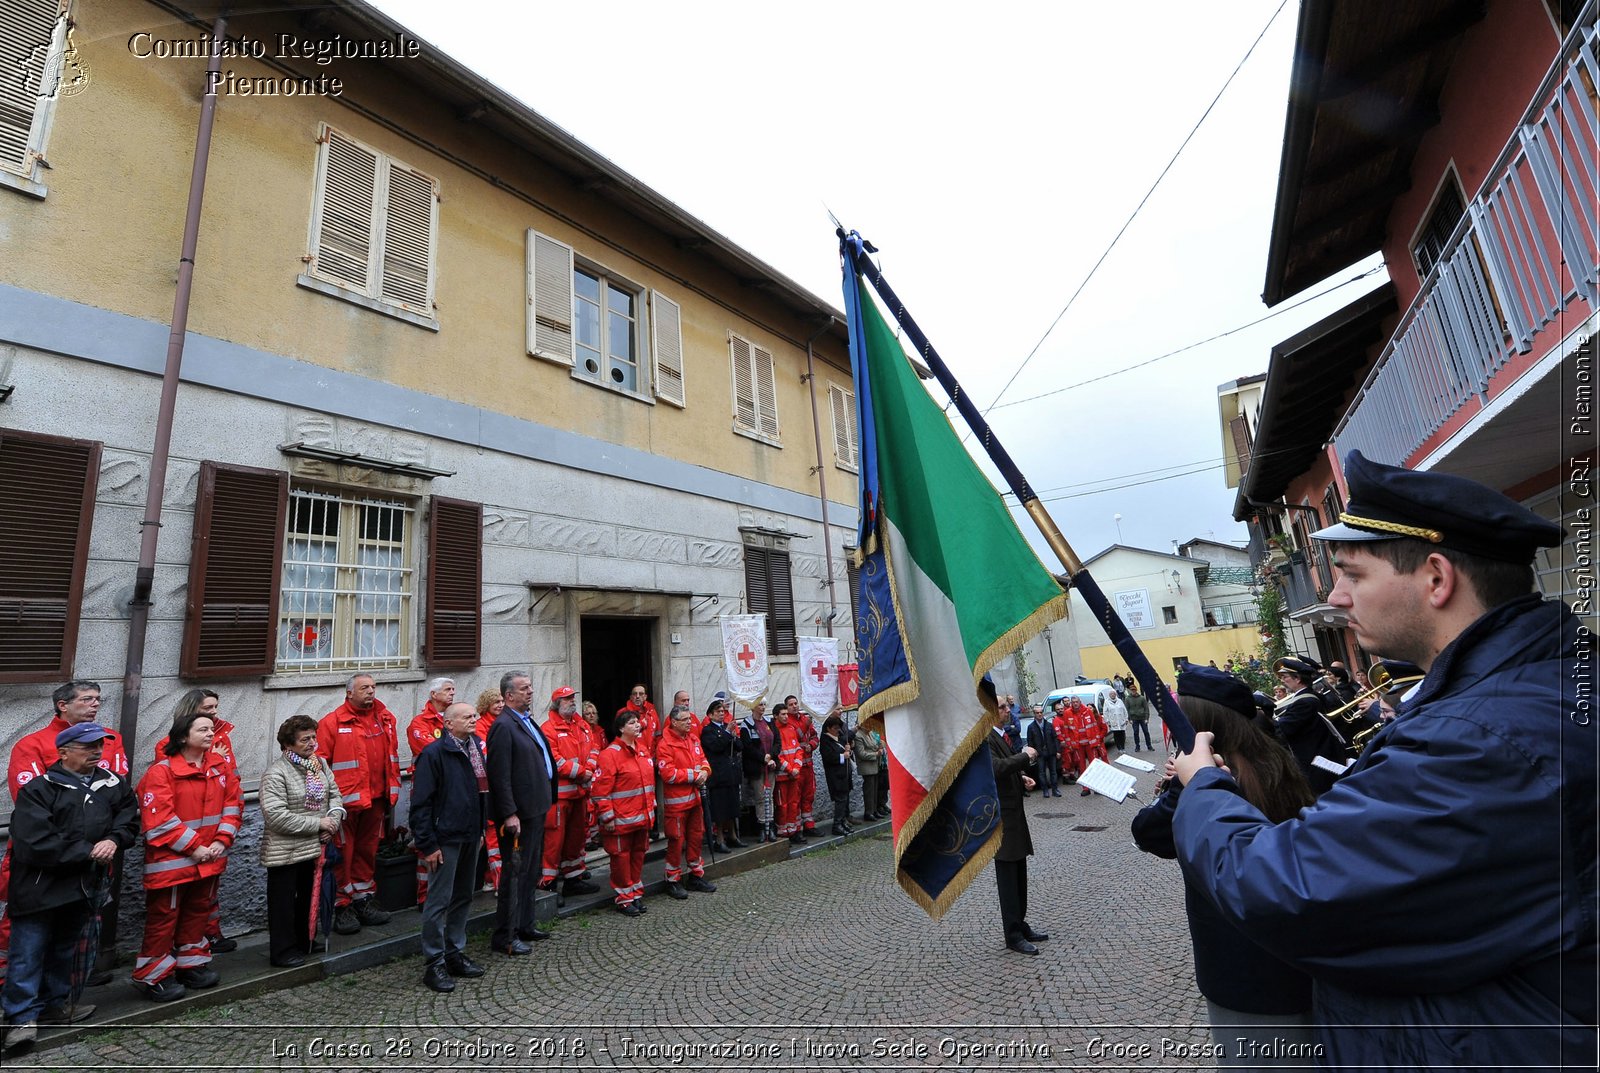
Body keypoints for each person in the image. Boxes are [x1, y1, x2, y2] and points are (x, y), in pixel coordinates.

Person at [1171, 451, 1595, 1069]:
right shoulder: (1531, 687)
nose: (1337, 596)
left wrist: (1204, 787)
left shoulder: (1481, 739)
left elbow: (1281, 888)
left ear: (1435, 578)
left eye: (1352, 574)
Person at [1133, 666, 1315, 1066]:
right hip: (1301, 962)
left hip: (1242, 970)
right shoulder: (1274, 758)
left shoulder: (1215, 781)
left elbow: (1152, 834)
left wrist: (1185, 787)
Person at [1, 723, 137, 1053]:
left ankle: (54, 1006)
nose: (96, 751)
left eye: (99, 746)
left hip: (83, 886)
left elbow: (129, 819)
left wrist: (113, 839)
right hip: (39, 888)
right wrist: (88, 851)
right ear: (63, 753)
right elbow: (33, 841)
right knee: (27, 954)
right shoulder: (40, 788)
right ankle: (20, 1019)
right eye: (87, 746)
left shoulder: (112, 783)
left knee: (64, 950)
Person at [3, 681, 131, 991]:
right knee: (28, 936)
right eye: (87, 699)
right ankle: (16, 994)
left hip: (96, 857)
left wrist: (111, 838)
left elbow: (119, 794)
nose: (95, 705)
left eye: (98, 699)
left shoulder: (111, 739)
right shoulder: (32, 744)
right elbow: (30, 803)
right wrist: (82, 844)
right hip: (46, 861)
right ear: (63, 705)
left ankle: (66, 992)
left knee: (80, 928)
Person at [134, 703, 241, 1001]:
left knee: (197, 914)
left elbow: (233, 806)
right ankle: (154, 975)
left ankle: (190, 965)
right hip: (171, 862)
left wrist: (221, 842)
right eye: (203, 730)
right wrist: (196, 848)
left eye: (211, 729)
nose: (211, 734)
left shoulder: (220, 767)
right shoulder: (161, 772)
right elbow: (159, 819)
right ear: (183, 737)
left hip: (209, 858)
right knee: (163, 919)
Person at [150, 689, 240, 952]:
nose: (214, 714)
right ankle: (160, 966)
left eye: (215, 707)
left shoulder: (221, 742)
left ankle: (201, 947)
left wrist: (223, 838)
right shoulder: (167, 750)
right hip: (179, 848)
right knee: (168, 912)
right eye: (207, 709)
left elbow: (231, 788)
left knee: (202, 902)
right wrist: (193, 845)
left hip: (212, 841)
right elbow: (167, 801)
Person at [410, 702, 489, 993]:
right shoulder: (434, 754)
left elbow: (481, 792)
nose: (474, 719)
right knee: (438, 901)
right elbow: (421, 804)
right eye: (467, 717)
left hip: (470, 835)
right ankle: (434, 963)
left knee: (464, 896)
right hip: (445, 838)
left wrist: (480, 829)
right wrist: (428, 844)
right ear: (449, 723)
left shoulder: (476, 748)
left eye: (474, 715)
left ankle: (454, 952)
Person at [259, 715, 345, 968]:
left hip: (314, 846)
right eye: (304, 739)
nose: (312, 743)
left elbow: (335, 795)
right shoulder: (276, 774)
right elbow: (275, 816)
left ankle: (304, 940)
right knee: (283, 903)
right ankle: (283, 951)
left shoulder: (319, 765)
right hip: (284, 850)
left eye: (313, 737)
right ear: (288, 744)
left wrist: (333, 821)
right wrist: (318, 824)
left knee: (308, 898)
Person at [316, 674, 399, 934]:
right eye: (365, 688)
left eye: (374, 687)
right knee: (343, 855)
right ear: (349, 693)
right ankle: (342, 906)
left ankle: (363, 900)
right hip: (344, 805)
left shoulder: (385, 719)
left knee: (367, 851)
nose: (371, 692)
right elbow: (320, 765)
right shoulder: (332, 722)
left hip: (376, 800)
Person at [485, 671, 555, 954]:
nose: (530, 692)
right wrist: (509, 813)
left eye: (530, 687)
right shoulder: (503, 726)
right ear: (508, 695)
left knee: (530, 872)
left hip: (537, 808)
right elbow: (499, 775)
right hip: (519, 815)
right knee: (515, 874)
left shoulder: (526, 721)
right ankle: (506, 935)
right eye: (524, 688)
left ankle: (526, 923)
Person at [986, 722, 1046, 956]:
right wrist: (1025, 756)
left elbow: (1005, 771)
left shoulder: (1000, 735)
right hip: (1001, 818)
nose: (1006, 710)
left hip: (1014, 815)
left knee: (1019, 873)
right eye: (1001, 706)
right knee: (1008, 878)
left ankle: (1020, 925)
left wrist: (1021, 778)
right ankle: (1012, 934)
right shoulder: (984, 738)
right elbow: (995, 768)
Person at [592, 710, 655, 915]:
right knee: (620, 859)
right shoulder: (609, 755)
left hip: (641, 817)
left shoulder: (643, 750)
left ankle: (635, 893)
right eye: (631, 723)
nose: (637, 725)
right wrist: (607, 816)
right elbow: (601, 791)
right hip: (620, 820)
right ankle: (624, 898)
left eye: (638, 722)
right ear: (621, 728)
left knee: (638, 855)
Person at [539, 687, 598, 897]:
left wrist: (589, 770)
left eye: (573, 698)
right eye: (567, 699)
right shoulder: (548, 729)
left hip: (579, 795)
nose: (572, 702)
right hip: (559, 797)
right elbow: (554, 761)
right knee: (554, 842)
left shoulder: (581, 725)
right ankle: (548, 884)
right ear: (557, 703)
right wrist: (582, 773)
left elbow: (594, 748)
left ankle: (574, 879)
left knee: (576, 840)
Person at [656, 705, 716, 898]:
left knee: (696, 838)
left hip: (696, 800)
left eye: (690, 719)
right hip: (677, 804)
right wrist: (693, 775)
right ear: (674, 722)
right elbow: (668, 774)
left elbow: (704, 761)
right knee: (676, 841)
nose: (690, 723)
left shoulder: (693, 739)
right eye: (685, 720)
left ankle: (695, 875)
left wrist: (705, 773)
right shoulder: (665, 744)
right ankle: (672, 880)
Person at [1270, 655, 1348, 796]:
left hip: (1315, 761)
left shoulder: (1305, 702)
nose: (1282, 681)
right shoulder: (1307, 697)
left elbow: (1283, 728)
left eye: (1285, 677)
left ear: (1298, 678)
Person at [471, 689, 506, 890]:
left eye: (502, 701)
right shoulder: (481, 726)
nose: (500, 705)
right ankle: (498, 881)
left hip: (500, 785)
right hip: (489, 787)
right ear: (487, 705)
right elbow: (488, 755)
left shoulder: (501, 723)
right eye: (496, 702)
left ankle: (489, 879)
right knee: (492, 838)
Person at [699, 698, 743, 851]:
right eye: (718, 711)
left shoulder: (727, 727)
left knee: (732, 806)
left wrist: (733, 734)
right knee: (720, 808)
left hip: (731, 773)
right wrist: (726, 733)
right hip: (718, 775)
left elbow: (738, 746)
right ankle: (719, 839)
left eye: (723, 711)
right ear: (710, 715)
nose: (721, 714)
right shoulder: (707, 730)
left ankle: (732, 835)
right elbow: (716, 746)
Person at [771, 702, 806, 844]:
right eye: (783, 714)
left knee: (794, 804)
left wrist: (797, 768)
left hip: (793, 775)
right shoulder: (773, 731)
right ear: (775, 716)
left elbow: (798, 750)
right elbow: (776, 755)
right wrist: (790, 769)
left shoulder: (791, 729)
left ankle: (794, 831)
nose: (786, 717)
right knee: (782, 806)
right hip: (782, 776)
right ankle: (783, 835)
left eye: (787, 714)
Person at [788, 696, 821, 836]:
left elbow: (815, 737)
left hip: (808, 765)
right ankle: (797, 829)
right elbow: (796, 736)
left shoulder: (803, 718)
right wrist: (805, 725)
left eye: (796, 703)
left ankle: (809, 825)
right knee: (796, 797)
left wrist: (811, 746)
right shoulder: (787, 721)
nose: (795, 706)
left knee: (809, 795)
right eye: (791, 704)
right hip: (797, 767)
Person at [818, 713, 854, 836]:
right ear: (828, 728)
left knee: (844, 799)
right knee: (840, 800)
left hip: (844, 774)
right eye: (835, 728)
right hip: (835, 776)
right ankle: (837, 824)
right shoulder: (825, 740)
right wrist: (842, 756)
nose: (838, 730)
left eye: (839, 728)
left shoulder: (840, 738)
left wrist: (848, 749)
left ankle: (843, 821)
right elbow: (829, 757)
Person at [1024, 702, 1061, 797]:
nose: (1039, 714)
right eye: (1037, 713)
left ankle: (1055, 790)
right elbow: (1030, 742)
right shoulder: (1031, 727)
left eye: (1041, 712)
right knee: (1042, 773)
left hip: (1051, 752)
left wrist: (1057, 751)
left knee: (1053, 772)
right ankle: (1045, 790)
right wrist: (1033, 753)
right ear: (1034, 714)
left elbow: (1055, 738)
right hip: (1040, 754)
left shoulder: (1049, 725)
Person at [851, 720, 884, 822]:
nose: (870, 727)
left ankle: (874, 810)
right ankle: (868, 812)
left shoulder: (869, 733)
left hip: (874, 765)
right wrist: (875, 754)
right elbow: (861, 753)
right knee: (869, 790)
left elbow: (874, 745)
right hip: (866, 766)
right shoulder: (858, 736)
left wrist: (880, 746)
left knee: (875, 789)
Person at [1125, 683, 1153, 752]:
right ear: (1130, 691)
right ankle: (1137, 746)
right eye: (1132, 690)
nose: (1133, 691)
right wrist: (1129, 719)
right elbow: (1127, 709)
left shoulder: (1142, 698)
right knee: (1135, 732)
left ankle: (1149, 746)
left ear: (1136, 690)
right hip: (1134, 718)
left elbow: (1146, 708)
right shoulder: (1127, 699)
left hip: (1142, 718)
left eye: (1134, 690)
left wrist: (1147, 718)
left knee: (1146, 732)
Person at [1103, 689, 1129, 753]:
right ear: (1109, 695)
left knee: (1122, 735)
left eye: (1114, 694)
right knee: (1116, 735)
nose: (1112, 695)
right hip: (1113, 721)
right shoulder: (1107, 702)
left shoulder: (1119, 701)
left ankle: (1123, 747)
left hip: (1121, 721)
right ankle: (1119, 748)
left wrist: (1126, 718)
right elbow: (1105, 713)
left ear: (1115, 694)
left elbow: (1124, 710)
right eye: (1111, 694)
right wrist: (1108, 721)